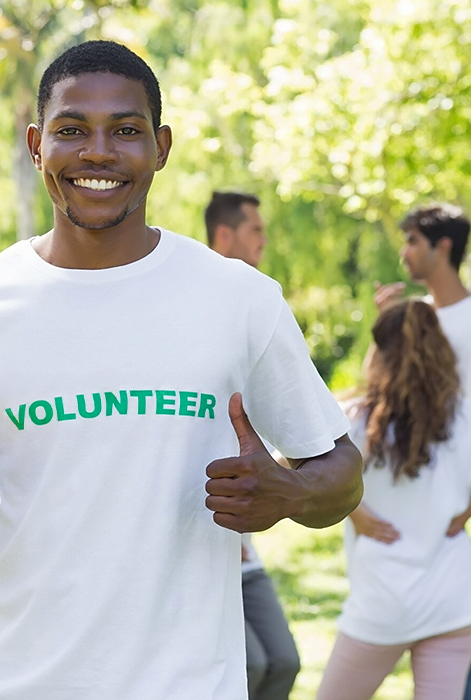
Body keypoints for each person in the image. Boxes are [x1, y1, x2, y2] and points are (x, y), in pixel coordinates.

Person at [0, 40, 362, 700]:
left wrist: (293, 493)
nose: (98, 152)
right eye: (70, 130)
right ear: (36, 146)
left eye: (126, 130)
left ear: (161, 147)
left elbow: (341, 469)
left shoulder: (241, 300)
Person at [316, 299, 471, 700]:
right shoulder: (463, 414)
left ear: (380, 353)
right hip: (453, 599)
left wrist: (353, 508)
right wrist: (464, 510)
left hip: (384, 601)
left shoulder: (356, 419)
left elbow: (298, 469)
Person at [205, 190, 300, 700]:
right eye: (256, 230)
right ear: (225, 235)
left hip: (243, 538)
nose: (265, 240)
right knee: (252, 666)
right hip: (201, 535)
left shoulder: (258, 308)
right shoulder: (192, 309)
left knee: (282, 661)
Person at [374, 203, 471, 395]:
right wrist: (385, 324)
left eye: (413, 241)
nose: (404, 253)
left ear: (443, 247)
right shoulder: (412, 317)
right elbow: (375, 381)